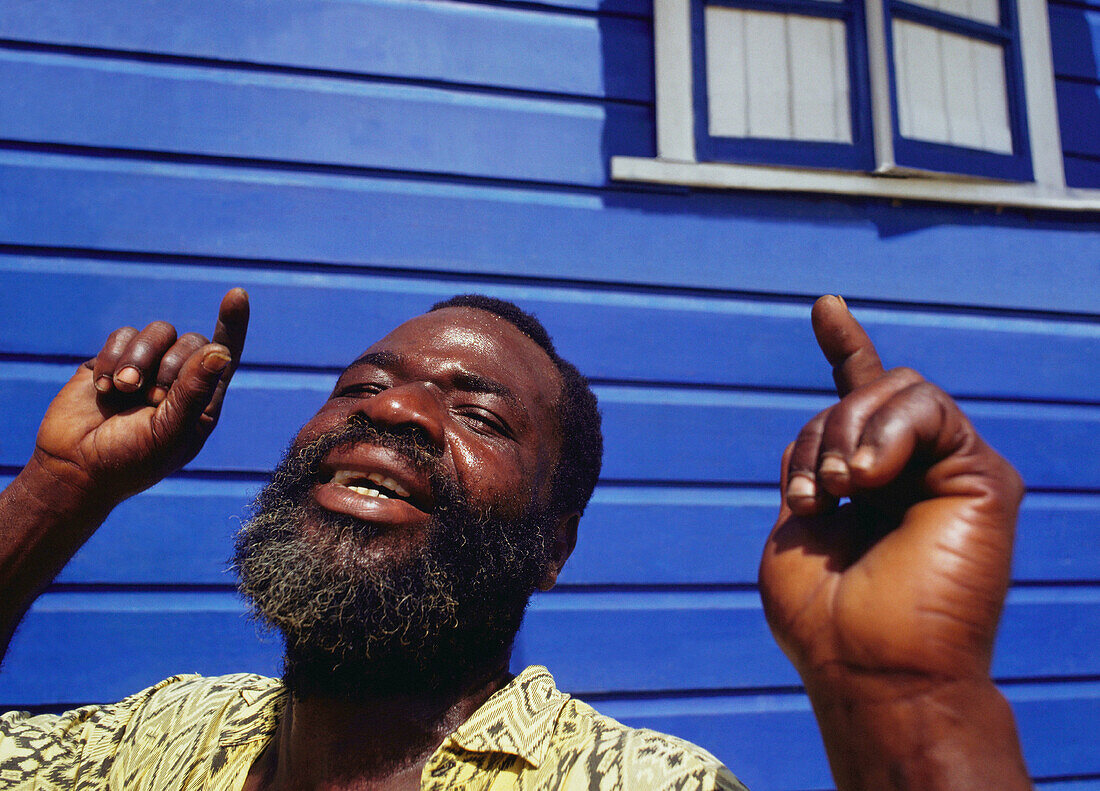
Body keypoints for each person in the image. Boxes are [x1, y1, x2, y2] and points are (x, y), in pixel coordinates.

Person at [0, 289, 1032, 790]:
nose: (394, 411)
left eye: (481, 415)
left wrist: (912, 709)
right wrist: (58, 490)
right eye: (361, 385)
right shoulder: (150, 741)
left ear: (554, 547)